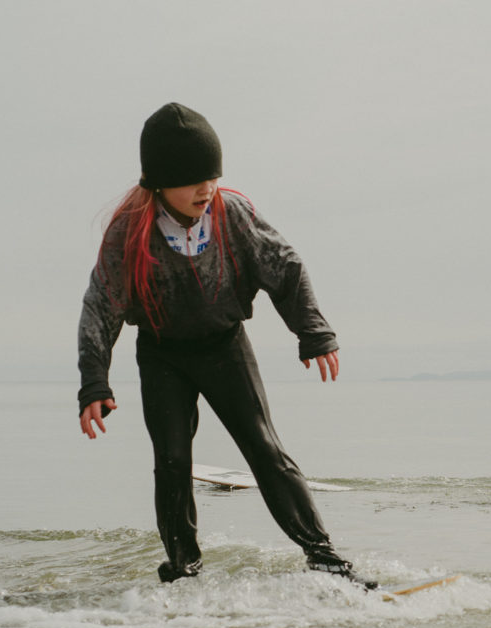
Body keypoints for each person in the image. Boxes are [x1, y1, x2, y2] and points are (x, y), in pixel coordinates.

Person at [77, 102, 373, 587]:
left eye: (211, 175)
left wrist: (313, 333)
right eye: (192, 178)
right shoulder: (130, 230)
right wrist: (94, 382)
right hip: (161, 353)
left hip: (224, 346)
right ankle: (183, 570)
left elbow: (287, 268)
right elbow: (100, 305)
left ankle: (325, 558)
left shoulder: (231, 214)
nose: (206, 188)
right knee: (172, 462)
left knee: (264, 448)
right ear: (158, 182)